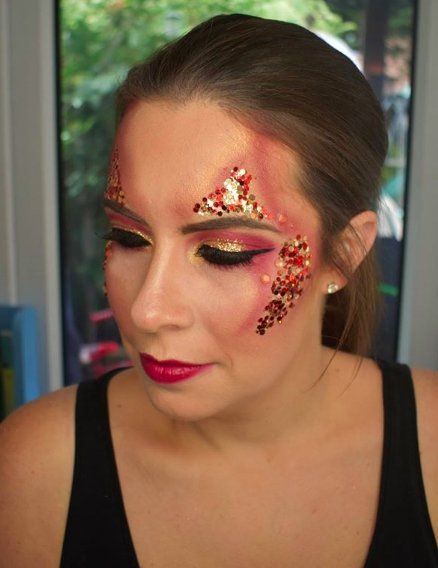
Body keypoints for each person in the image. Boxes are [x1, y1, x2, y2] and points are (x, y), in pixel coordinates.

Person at [1, 14, 437, 567]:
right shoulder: (36, 468)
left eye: (223, 252)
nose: (148, 309)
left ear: (345, 253)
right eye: (128, 237)